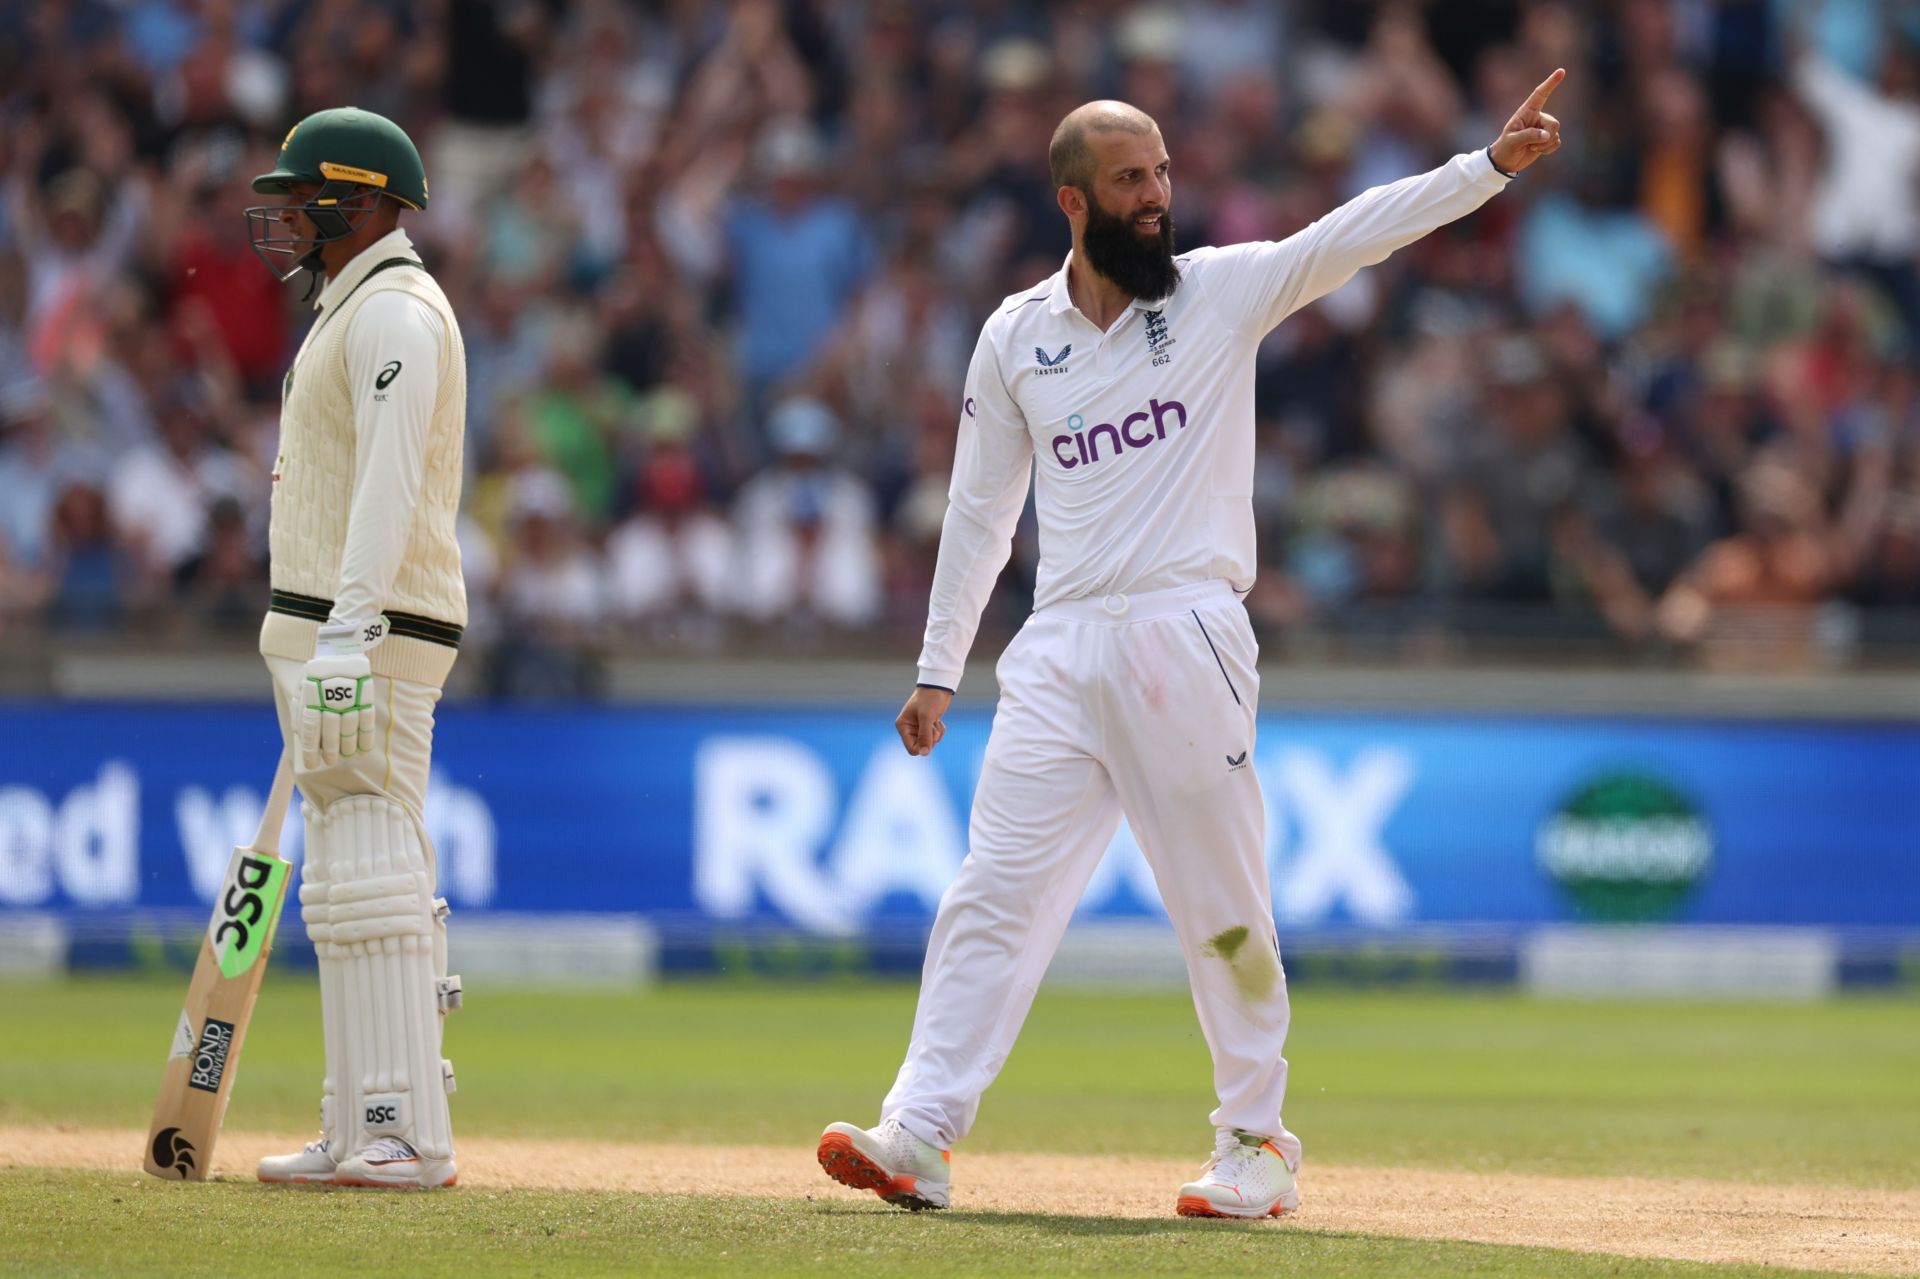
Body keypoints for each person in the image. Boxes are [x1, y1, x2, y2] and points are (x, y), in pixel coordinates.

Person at [817, 74, 1566, 1218]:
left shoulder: (1216, 294)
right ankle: (919, 1132)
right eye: (1132, 179)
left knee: (1221, 906)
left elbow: (1349, 234)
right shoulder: (1018, 338)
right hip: (1058, 645)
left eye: (1164, 172)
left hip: (1186, 631)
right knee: (994, 895)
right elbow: (979, 511)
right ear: (1075, 200)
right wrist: (936, 666)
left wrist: (1486, 168)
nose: (1160, 195)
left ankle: (1257, 1144)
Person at [244, 107, 469, 1189]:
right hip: (336, 630)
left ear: (364, 199)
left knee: (376, 870)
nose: (285, 215)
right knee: (337, 886)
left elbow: (390, 475)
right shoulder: (354, 305)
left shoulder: (399, 311)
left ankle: (405, 1130)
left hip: (369, 633)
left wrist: (350, 623)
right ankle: (353, 1122)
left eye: (303, 195)